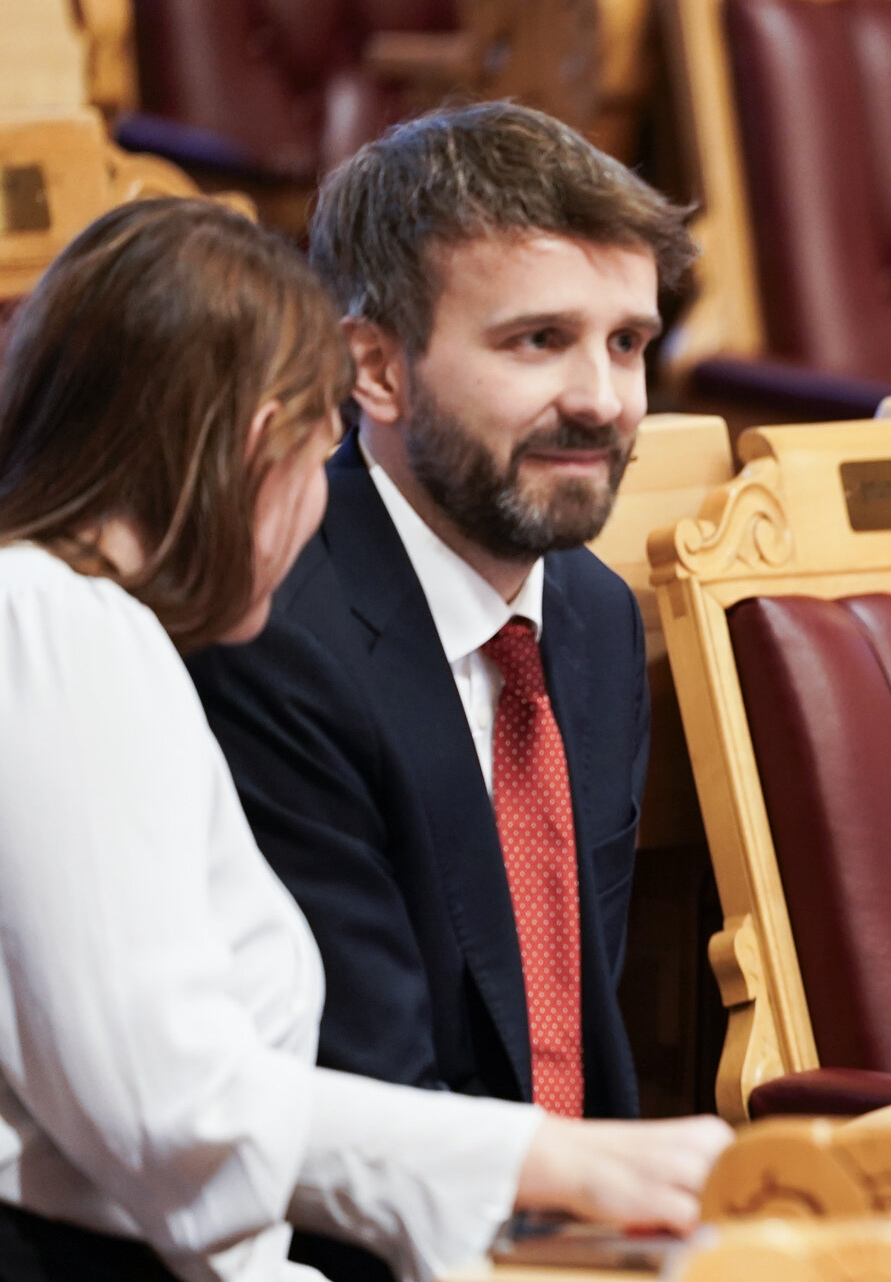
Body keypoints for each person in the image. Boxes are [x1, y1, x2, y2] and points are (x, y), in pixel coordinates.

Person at [0, 197, 730, 1281]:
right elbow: (174, 1115)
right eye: (318, 454)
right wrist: (549, 1162)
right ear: (260, 447)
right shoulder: (52, 619)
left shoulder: (91, 628)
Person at [180, 103, 680, 1279]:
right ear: (376, 369)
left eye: (626, 343)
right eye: (537, 341)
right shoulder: (274, 635)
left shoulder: (597, 620)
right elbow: (360, 1104)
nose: (603, 400)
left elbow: (567, 1031)